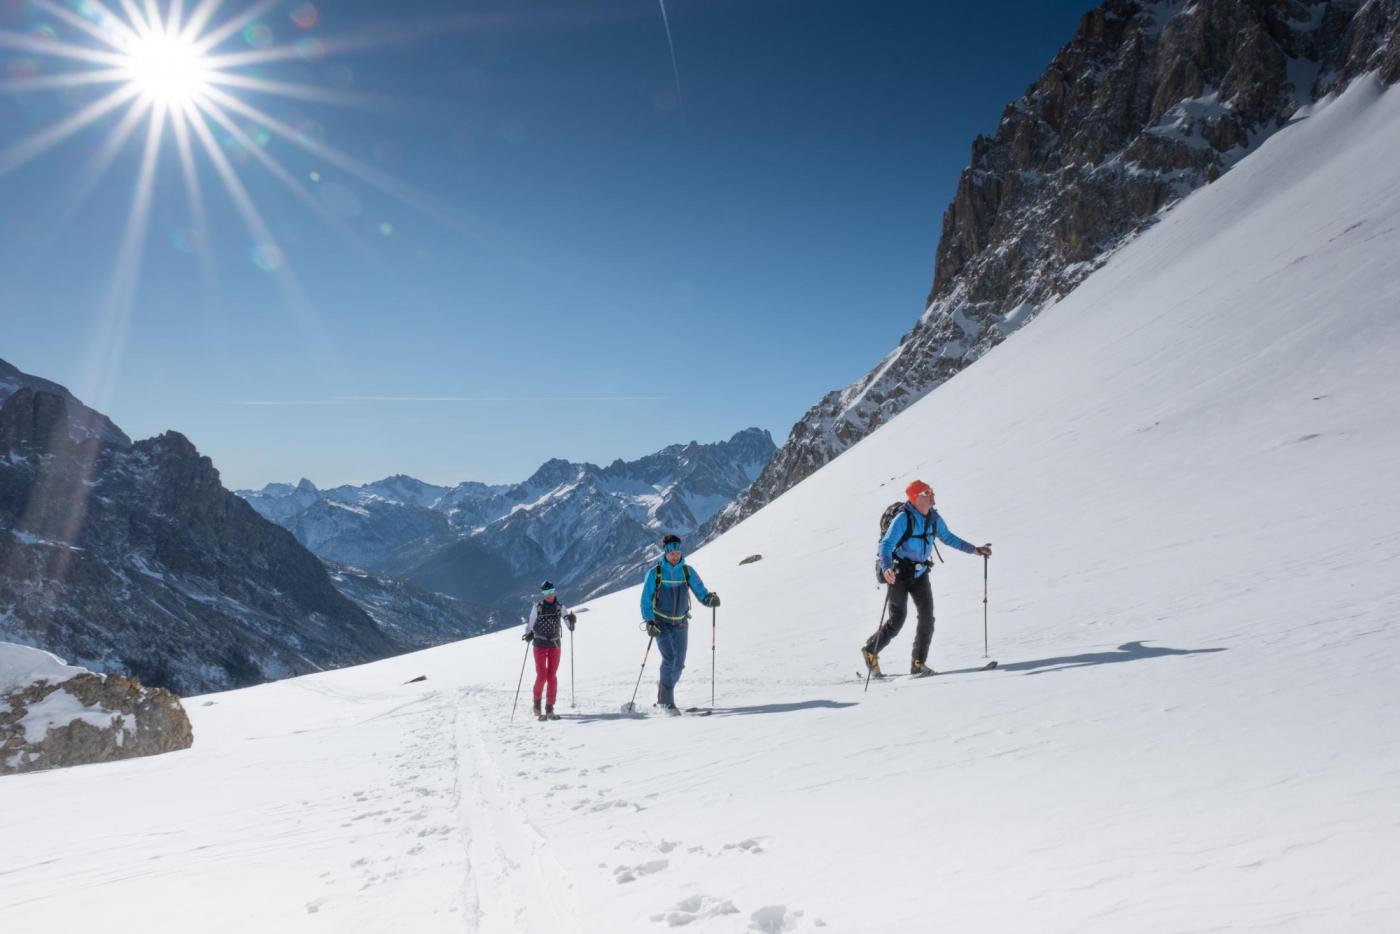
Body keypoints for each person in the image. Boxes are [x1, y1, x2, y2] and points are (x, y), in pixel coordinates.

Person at [863, 480, 990, 677]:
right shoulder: (903, 519)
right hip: (898, 574)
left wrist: (975, 550)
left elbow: (948, 538)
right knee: (897, 620)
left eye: (931, 491)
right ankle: (871, 650)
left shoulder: (933, 518)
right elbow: (886, 544)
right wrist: (887, 568)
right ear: (915, 498)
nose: (931, 496)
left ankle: (918, 663)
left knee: (927, 618)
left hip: (920, 574)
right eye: (926, 492)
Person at [640, 533, 719, 712]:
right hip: (661, 623)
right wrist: (649, 622)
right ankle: (666, 702)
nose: (675, 556)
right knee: (670, 658)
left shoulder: (687, 571)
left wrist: (709, 599)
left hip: (681, 623)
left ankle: (663, 690)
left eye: (677, 552)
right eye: (671, 553)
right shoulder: (655, 573)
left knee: (680, 663)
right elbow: (646, 601)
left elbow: (700, 590)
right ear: (665, 553)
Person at [523, 580, 576, 720]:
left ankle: (549, 708)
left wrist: (571, 621)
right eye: (546, 592)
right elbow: (530, 624)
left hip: (554, 645)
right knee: (542, 676)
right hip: (539, 644)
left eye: (551, 591)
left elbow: (569, 626)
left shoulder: (560, 607)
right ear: (543, 593)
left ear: (554, 591)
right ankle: (537, 705)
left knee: (552, 676)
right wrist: (528, 633)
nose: (549, 595)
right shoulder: (537, 607)